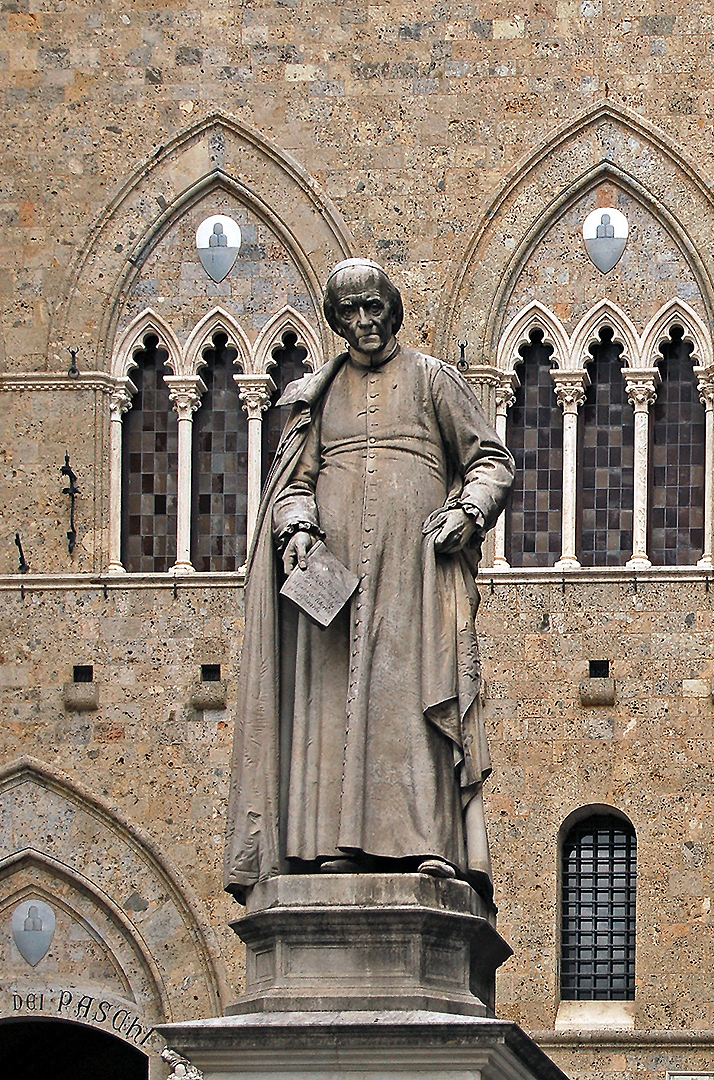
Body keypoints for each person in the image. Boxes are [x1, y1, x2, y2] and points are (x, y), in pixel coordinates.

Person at [224, 258, 514, 903]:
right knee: (333, 704)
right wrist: (299, 530)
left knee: (415, 694)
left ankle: (430, 844)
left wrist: (468, 510)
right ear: (336, 320)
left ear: (393, 311)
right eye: (349, 312)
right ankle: (330, 847)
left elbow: (492, 459)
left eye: (374, 309)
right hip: (339, 578)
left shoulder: (432, 379)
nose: (364, 323)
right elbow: (292, 484)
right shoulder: (316, 396)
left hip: (415, 572)